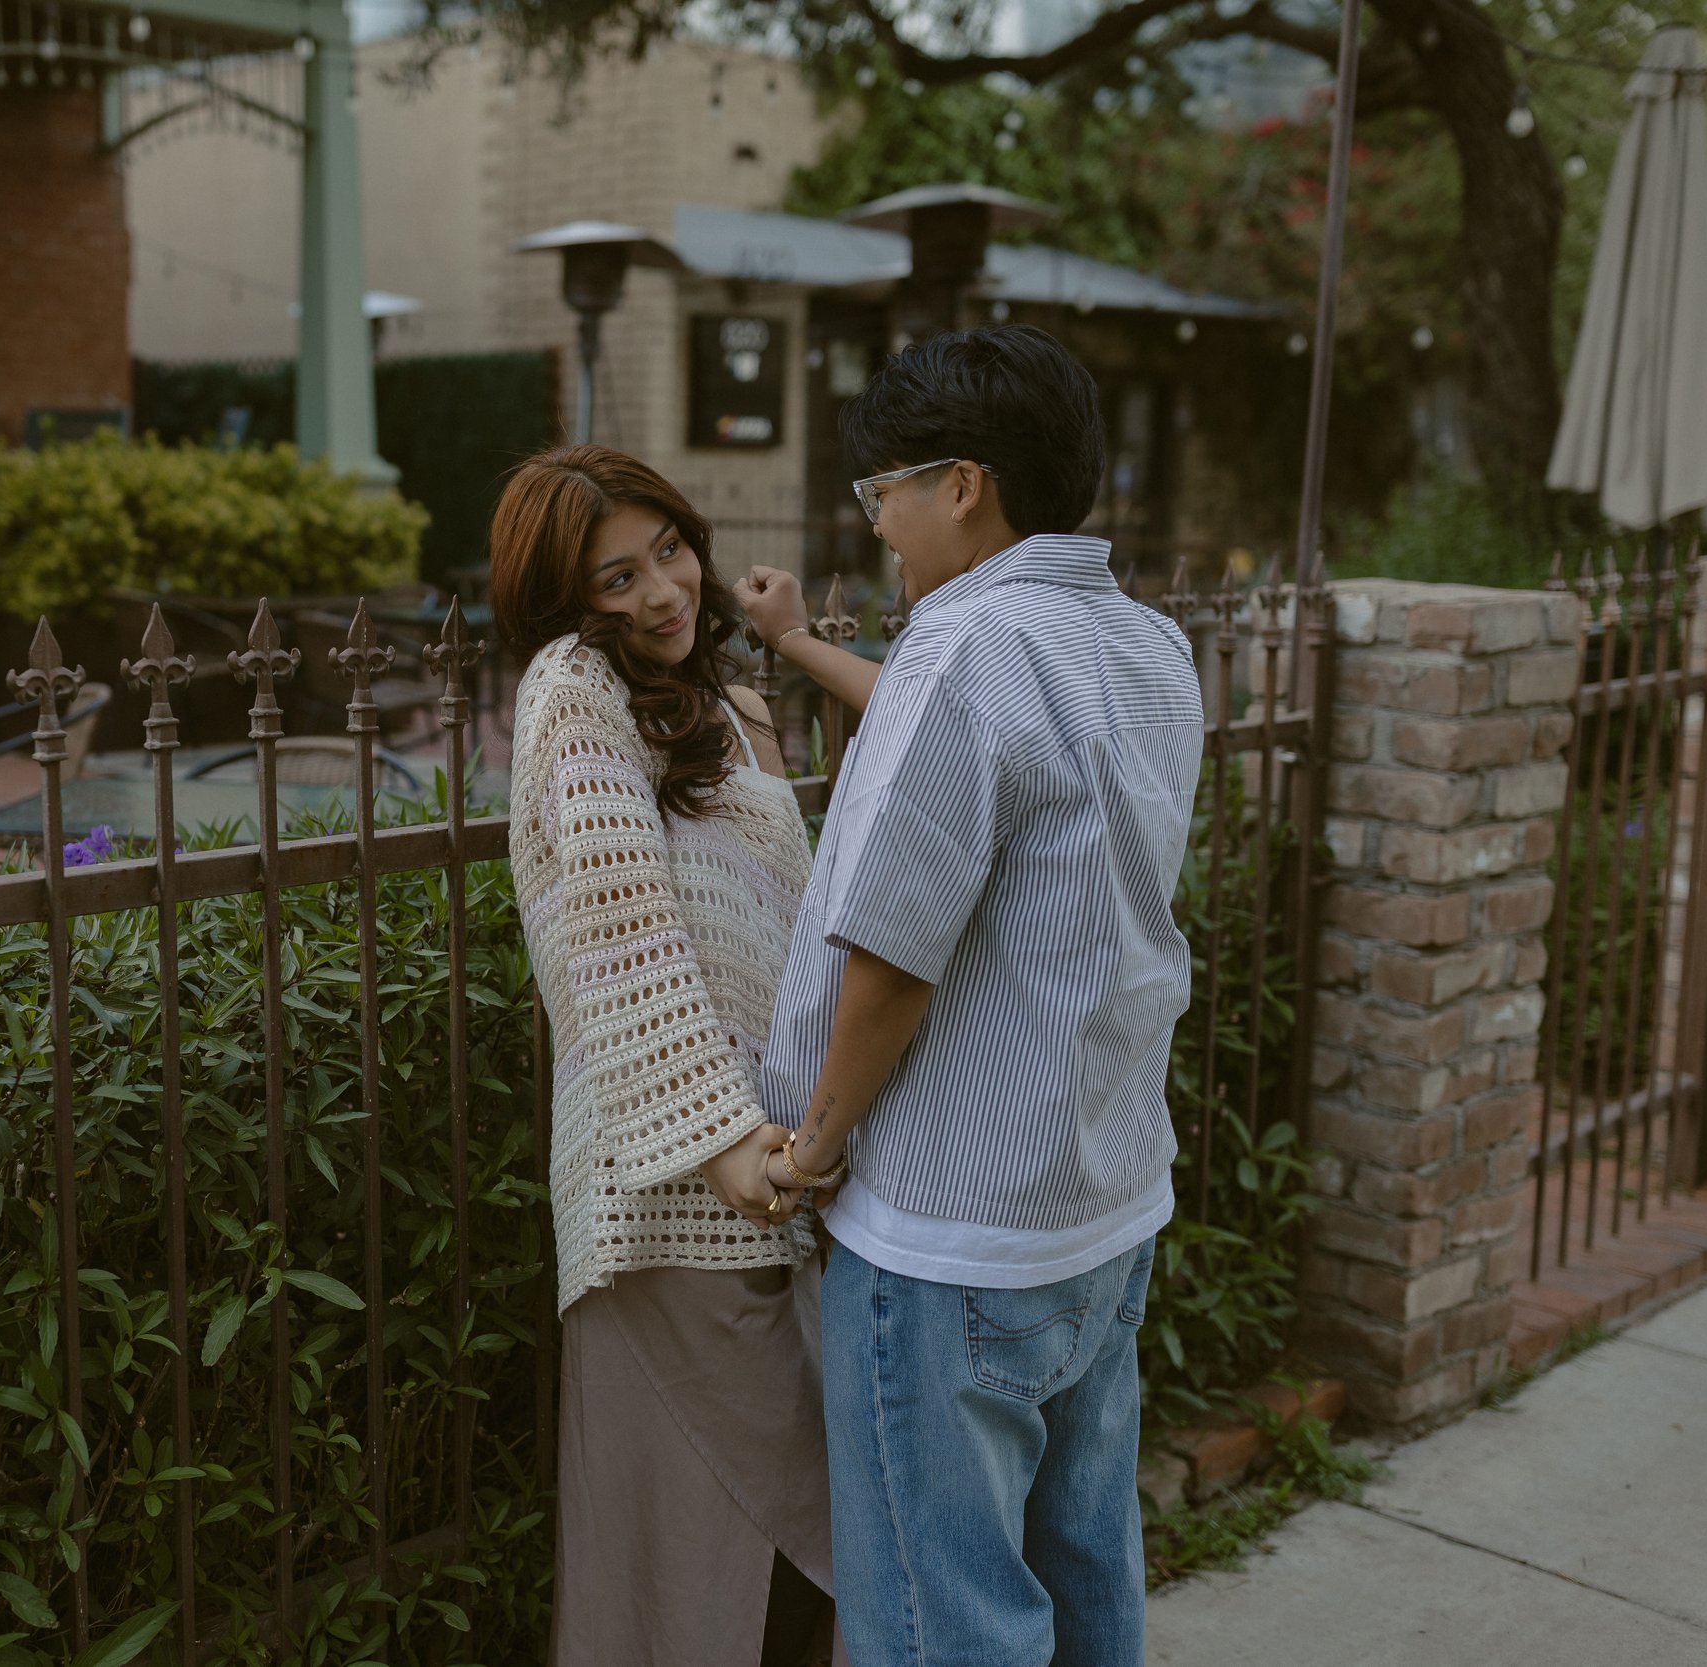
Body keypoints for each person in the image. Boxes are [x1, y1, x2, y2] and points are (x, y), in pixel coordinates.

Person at [748, 325, 1207, 1667]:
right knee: (1083, 1582)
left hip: (948, 1243)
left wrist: (813, 1141)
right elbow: (966, 735)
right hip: (1100, 1203)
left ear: (963, 484)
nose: (877, 520)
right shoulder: (1140, 645)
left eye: (881, 488)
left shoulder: (967, 648)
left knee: (937, 1623)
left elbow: (892, 954)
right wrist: (795, 642)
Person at [495, 445, 844, 1667]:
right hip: (667, 1186)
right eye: (614, 576)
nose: (658, 591)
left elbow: (794, 926)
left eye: (669, 551)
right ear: (562, 599)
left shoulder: (728, 706)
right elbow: (614, 915)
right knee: (702, 1535)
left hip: (772, 1175)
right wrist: (720, 1139)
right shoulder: (570, 683)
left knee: (775, 1539)